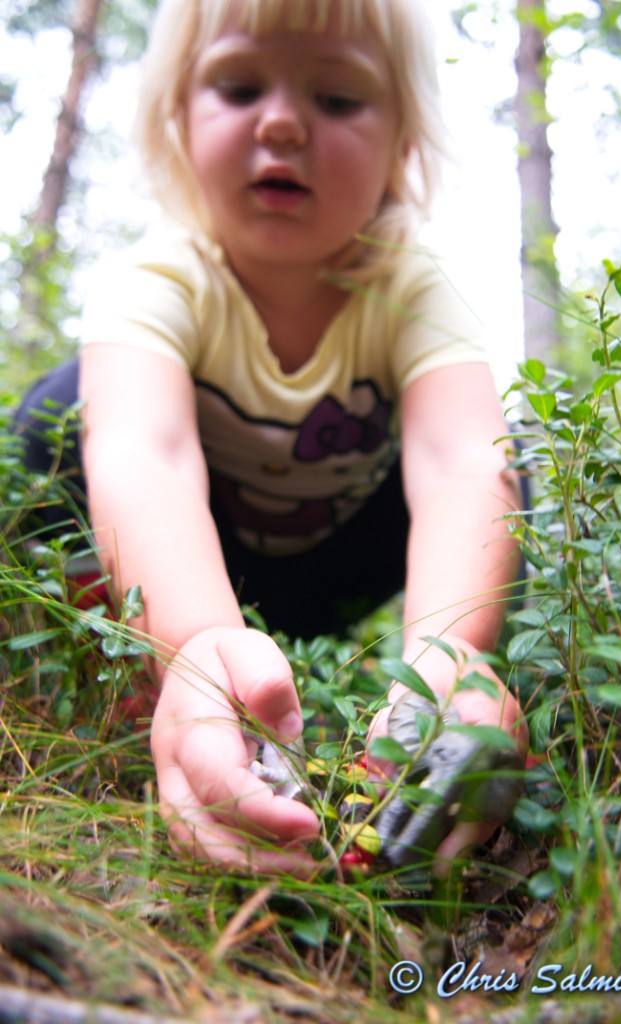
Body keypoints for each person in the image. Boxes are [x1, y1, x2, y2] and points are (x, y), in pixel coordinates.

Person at [15, 0, 528, 876]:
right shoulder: (153, 281)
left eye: (337, 100)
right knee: (57, 416)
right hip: (187, 565)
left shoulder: (415, 286)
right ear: (178, 114)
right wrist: (203, 647)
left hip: (331, 574)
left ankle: (449, 711)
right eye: (240, 85)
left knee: (518, 448)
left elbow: (455, 464)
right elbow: (146, 455)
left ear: (403, 139)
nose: (283, 121)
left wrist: (450, 653)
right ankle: (144, 689)